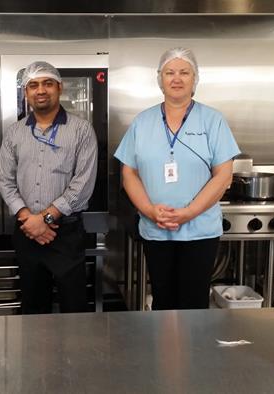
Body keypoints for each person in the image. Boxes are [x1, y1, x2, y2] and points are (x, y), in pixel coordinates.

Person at [114, 47, 240, 310]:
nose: (177, 78)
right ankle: (166, 351)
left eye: (184, 72)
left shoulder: (212, 121)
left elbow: (223, 175)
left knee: (194, 303)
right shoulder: (142, 122)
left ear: (195, 79)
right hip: (157, 229)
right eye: (170, 72)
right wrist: (149, 210)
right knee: (163, 300)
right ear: (160, 79)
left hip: (200, 231)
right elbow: (129, 173)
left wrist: (189, 212)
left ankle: (192, 352)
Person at [0, 61, 98, 314]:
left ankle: (75, 356)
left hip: (66, 233)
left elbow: (83, 183)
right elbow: (5, 181)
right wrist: (28, 220)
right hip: (26, 232)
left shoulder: (82, 130)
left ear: (59, 88)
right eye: (33, 85)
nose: (40, 90)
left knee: (74, 307)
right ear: (26, 93)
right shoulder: (14, 133)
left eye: (47, 83)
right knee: (33, 306)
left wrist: (46, 218)